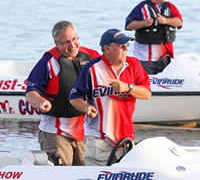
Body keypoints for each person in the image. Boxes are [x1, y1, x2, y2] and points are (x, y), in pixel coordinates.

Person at [68, 28, 151, 166]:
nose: (125, 49)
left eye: (127, 45)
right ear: (107, 48)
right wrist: (86, 107)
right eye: (121, 46)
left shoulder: (134, 64)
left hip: (126, 140)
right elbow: (74, 97)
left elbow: (147, 94)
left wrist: (127, 88)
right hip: (99, 140)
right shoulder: (91, 69)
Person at [26, 20, 100, 166]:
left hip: (85, 133)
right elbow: (30, 92)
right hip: (56, 133)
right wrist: (41, 102)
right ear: (57, 44)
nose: (72, 45)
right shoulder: (49, 62)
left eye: (74, 39)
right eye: (66, 42)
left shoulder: (92, 56)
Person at [125, 0, 183, 74]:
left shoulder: (170, 6)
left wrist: (165, 20)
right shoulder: (141, 7)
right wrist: (144, 23)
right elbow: (128, 25)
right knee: (144, 84)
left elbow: (179, 22)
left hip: (165, 57)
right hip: (144, 58)